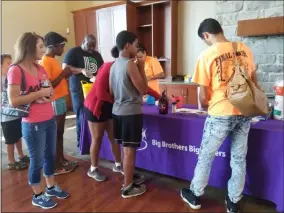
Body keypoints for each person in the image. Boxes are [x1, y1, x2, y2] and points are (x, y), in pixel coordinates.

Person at [180, 18, 259, 213]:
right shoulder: (244, 49)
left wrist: (210, 104)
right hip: (244, 110)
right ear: (220, 30)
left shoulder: (207, 55)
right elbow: (254, 82)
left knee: (207, 155)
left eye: (204, 39)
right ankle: (233, 201)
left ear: (206, 35)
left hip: (220, 112)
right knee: (239, 158)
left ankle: (195, 195)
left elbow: (203, 95)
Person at [7, 32, 68, 209]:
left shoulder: (40, 68)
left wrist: (45, 96)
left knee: (50, 155)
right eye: (40, 46)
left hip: (49, 118)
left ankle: (50, 187)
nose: (44, 50)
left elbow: (50, 90)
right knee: (37, 159)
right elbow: (14, 100)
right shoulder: (15, 70)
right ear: (28, 47)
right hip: (32, 123)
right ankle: (37, 194)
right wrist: (39, 95)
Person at [84, 50, 161, 182]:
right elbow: (100, 92)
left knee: (114, 137)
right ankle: (93, 168)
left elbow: (143, 87)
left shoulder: (131, 66)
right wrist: (121, 101)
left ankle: (118, 165)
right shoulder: (110, 66)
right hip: (96, 105)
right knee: (97, 137)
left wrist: (160, 97)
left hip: (113, 107)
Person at [109, 31, 148, 198]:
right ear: (127, 45)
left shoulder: (113, 64)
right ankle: (127, 187)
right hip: (130, 113)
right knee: (129, 151)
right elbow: (144, 89)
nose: (137, 48)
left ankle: (128, 178)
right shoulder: (130, 64)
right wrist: (141, 66)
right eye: (135, 45)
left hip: (117, 112)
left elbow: (111, 91)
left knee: (125, 150)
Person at [40, 32, 77, 176]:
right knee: (56, 133)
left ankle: (61, 159)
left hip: (60, 99)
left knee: (60, 132)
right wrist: (63, 74)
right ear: (53, 46)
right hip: (54, 100)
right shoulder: (45, 61)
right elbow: (48, 87)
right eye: (61, 46)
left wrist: (65, 74)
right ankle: (56, 165)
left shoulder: (53, 60)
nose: (63, 50)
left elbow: (58, 78)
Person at [62, 35, 104, 147]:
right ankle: (81, 143)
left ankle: (94, 142)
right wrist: (81, 70)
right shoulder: (74, 52)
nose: (91, 49)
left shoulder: (96, 54)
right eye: (89, 45)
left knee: (94, 115)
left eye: (93, 46)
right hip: (79, 90)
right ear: (83, 41)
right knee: (82, 114)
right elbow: (65, 68)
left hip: (94, 89)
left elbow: (102, 69)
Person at [1, 54, 29, 170]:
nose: (11, 65)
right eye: (8, 63)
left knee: (18, 136)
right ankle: (11, 161)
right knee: (10, 139)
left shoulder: (9, 77)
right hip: (6, 116)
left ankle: (21, 155)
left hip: (16, 113)